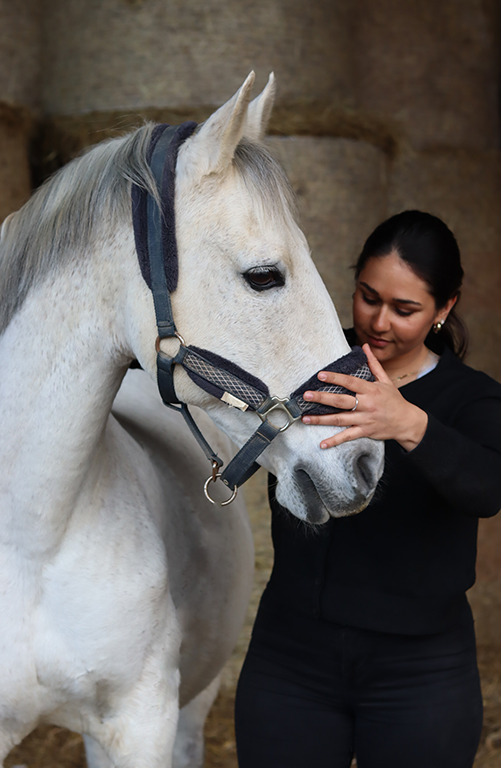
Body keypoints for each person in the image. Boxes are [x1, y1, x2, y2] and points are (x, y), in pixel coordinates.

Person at [234, 210, 501, 768]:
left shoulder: (470, 397)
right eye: (367, 296)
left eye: (404, 310)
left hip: (419, 671)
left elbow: (487, 489)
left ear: (444, 309)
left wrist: (408, 424)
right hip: (291, 655)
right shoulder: (310, 368)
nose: (379, 322)